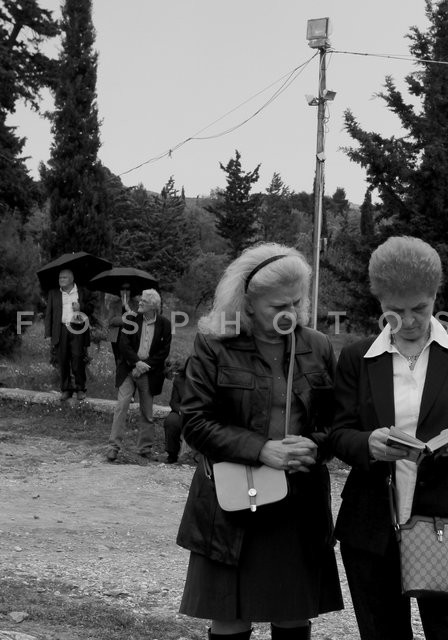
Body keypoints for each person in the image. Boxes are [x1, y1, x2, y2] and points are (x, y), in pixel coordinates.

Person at [329, 236, 448, 640]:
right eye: (395, 312)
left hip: (445, 519)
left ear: (436, 295)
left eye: (419, 310)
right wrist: (366, 444)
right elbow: (337, 432)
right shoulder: (357, 357)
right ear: (379, 303)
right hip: (371, 523)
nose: (407, 322)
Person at [176, 243, 343, 640]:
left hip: (297, 502)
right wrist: (261, 449)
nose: (289, 314)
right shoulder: (214, 344)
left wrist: (316, 447)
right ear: (247, 303)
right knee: (230, 617)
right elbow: (194, 422)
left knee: (291, 615)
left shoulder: (317, 346)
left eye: (296, 303)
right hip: (232, 504)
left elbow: (336, 422)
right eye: (277, 306)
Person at [106, 289, 172, 462]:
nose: (140, 303)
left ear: (153, 306)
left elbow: (163, 352)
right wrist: (136, 363)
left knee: (147, 412)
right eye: (140, 300)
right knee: (121, 406)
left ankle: (145, 448)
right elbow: (123, 344)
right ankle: (113, 447)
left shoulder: (164, 324)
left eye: (144, 301)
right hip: (129, 369)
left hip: (148, 372)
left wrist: (144, 366)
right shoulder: (132, 319)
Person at [44, 268, 95, 401]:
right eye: (60, 277)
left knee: (78, 358)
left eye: (64, 277)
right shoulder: (53, 293)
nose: (61, 280)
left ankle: (80, 388)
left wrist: (81, 308)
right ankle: (66, 389)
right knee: (63, 360)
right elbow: (48, 314)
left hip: (77, 328)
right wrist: (48, 333)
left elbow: (91, 309)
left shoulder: (82, 291)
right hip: (61, 329)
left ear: (72, 279)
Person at [162, 353, 188, 464]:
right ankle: (172, 454)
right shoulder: (179, 379)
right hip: (182, 411)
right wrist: (181, 410)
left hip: (199, 412)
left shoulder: (204, 378)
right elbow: (173, 402)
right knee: (171, 420)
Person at [103, 284, 133, 365]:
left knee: (129, 359)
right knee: (118, 359)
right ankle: (119, 375)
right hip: (116, 335)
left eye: (127, 289)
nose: (125, 291)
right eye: (123, 289)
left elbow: (137, 320)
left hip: (131, 335)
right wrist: (124, 320)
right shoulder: (114, 304)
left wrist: (128, 309)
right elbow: (110, 321)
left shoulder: (136, 304)